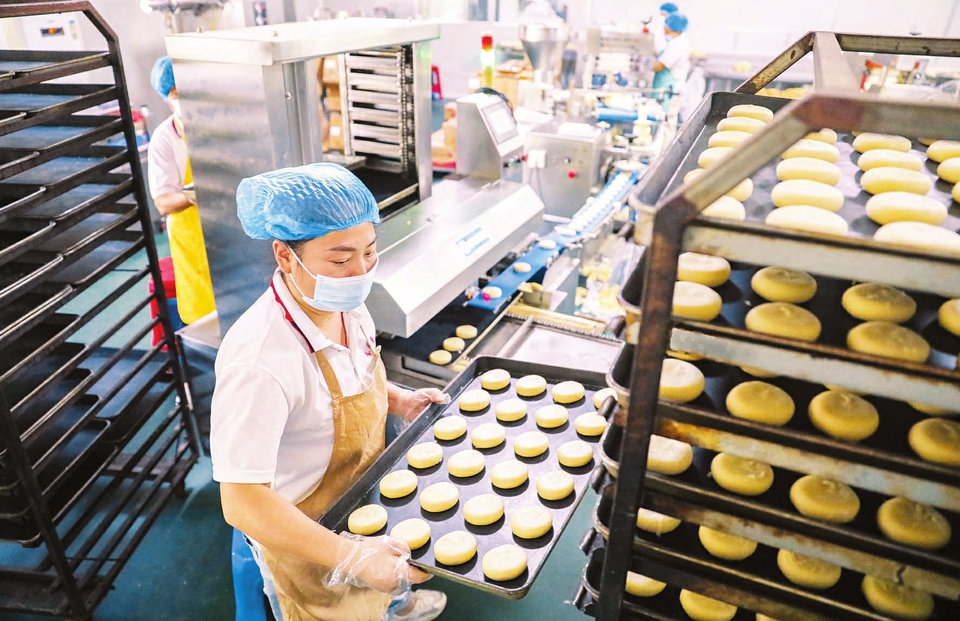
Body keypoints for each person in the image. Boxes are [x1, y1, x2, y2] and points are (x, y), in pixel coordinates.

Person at [211, 162, 449, 621]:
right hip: (307, 533)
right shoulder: (259, 361)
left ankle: (394, 606)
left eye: (369, 252)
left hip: (363, 491)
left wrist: (397, 399)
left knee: (382, 584)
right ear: (285, 256)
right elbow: (241, 501)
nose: (359, 271)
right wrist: (350, 556)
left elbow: (349, 379)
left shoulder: (346, 304)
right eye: (340, 259)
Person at [146, 55, 216, 324]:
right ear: (167, 97)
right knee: (206, 315)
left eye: (185, 90)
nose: (182, 98)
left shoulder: (215, 124)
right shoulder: (165, 138)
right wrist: (195, 193)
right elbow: (163, 202)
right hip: (191, 237)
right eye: (175, 93)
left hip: (225, 227)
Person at [652, 12, 691, 111]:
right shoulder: (675, 41)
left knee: (663, 120)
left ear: (673, 27)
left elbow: (659, 66)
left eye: (666, 24)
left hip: (669, 89)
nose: (664, 27)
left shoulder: (678, 45)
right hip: (666, 87)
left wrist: (645, 66)